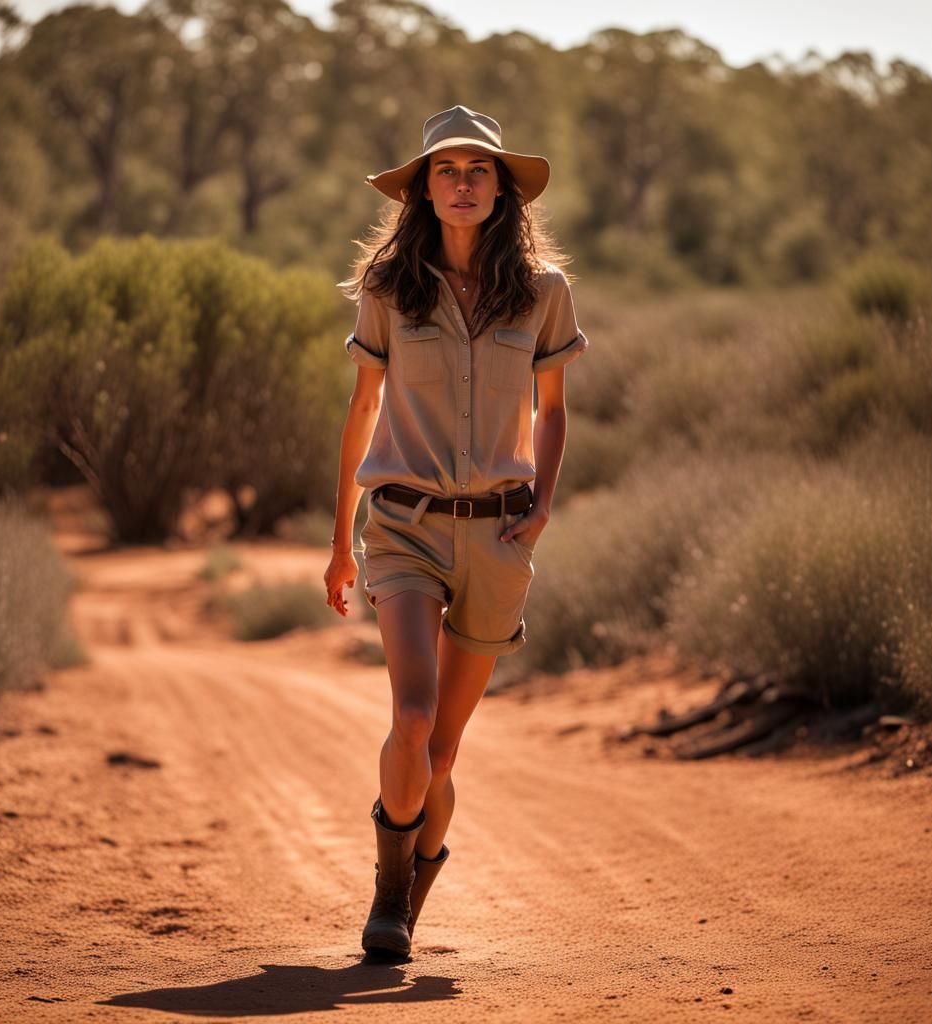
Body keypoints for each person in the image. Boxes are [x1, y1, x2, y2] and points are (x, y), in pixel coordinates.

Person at [323, 105, 589, 960]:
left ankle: (413, 881)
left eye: (479, 170)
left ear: (502, 188)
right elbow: (362, 410)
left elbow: (553, 413)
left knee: (439, 754)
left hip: (499, 540)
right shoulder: (387, 288)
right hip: (403, 528)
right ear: (423, 189)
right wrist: (340, 543)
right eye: (447, 170)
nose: (463, 184)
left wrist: (541, 507)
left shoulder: (544, 291)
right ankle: (388, 898)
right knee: (410, 715)